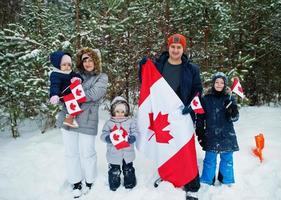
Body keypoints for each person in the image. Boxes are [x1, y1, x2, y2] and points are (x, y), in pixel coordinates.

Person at [139, 33, 202, 200]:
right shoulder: (158, 66)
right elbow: (146, 84)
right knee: (166, 146)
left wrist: (191, 106)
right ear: (168, 48)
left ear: (183, 49)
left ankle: (191, 182)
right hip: (162, 114)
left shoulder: (192, 69)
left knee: (185, 147)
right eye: (173, 47)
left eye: (179, 47)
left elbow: (197, 90)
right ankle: (168, 176)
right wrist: (143, 68)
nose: (175, 50)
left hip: (182, 114)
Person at [55, 47, 108, 198]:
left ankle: (90, 181)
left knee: (87, 152)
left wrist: (70, 95)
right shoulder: (74, 75)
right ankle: (75, 181)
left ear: (96, 61)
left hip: (87, 119)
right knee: (71, 153)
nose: (88, 63)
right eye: (85, 60)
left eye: (91, 59)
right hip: (69, 116)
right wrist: (59, 95)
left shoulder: (101, 77)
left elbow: (93, 94)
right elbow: (60, 91)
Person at [196, 72, 239, 187]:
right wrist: (200, 134)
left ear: (225, 84)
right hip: (211, 134)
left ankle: (227, 181)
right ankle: (207, 180)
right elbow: (200, 118)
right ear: (213, 83)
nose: (219, 85)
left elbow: (235, 118)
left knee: (227, 159)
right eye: (217, 82)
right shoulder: (206, 98)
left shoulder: (230, 98)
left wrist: (232, 109)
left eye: (222, 82)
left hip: (227, 134)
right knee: (210, 160)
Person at [100, 96, 137, 191]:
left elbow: (135, 132)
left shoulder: (130, 122)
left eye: (122, 111)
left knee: (128, 169)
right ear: (113, 111)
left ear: (126, 112)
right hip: (114, 153)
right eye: (117, 111)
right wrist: (108, 138)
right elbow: (103, 134)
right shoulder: (109, 123)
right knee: (114, 170)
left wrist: (132, 138)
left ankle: (130, 183)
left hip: (127, 152)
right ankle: (114, 184)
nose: (120, 114)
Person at [49, 51, 83, 128]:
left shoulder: (70, 72)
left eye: (69, 64)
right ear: (58, 65)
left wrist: (77, 79)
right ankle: (69, 120)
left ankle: (75, 116)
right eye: (64, 65)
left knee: (79, 101)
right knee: (72, 105)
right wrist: (54, 95)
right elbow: (54, 85)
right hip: (63, 94)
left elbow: (78, 76)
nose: (67, 67)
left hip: (73, 91)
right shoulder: (56, 75)